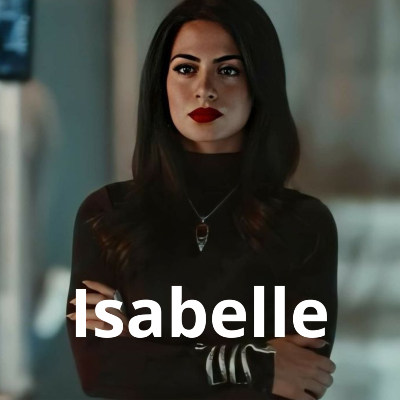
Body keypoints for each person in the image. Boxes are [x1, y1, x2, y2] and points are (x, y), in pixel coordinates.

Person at [66, 0, 338, 399]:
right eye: (185, 68)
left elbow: (302, 379)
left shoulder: (304, 224)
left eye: (228, 70)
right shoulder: (107, 214)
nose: (205, 89)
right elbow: (100, 371)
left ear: (259, 83)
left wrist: (146, 354)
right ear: (160, 83)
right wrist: (253, 363)